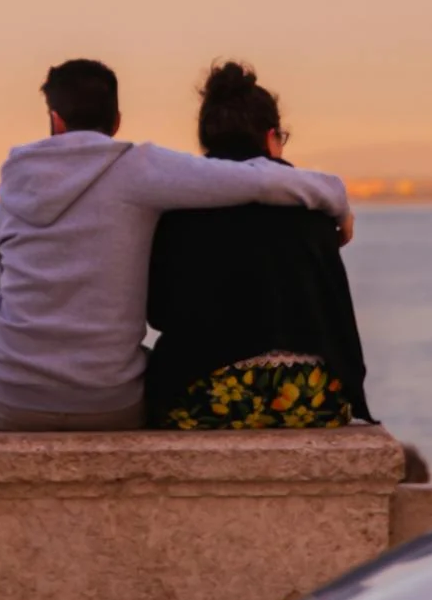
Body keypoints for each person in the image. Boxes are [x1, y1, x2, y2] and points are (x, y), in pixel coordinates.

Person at [0, 58, 353, 431]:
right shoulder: (138, 169)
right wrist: (336, 196)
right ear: (116, 122)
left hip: (11, 404)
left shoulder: (12, 190)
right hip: (112, 405)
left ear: (55, 119)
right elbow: (256, 180)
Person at [146, 61, 371, 430]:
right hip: (314, 396)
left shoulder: (178, 213)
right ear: (271, 137)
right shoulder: (313, 209)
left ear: (206, 143)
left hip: (204, 396)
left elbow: (159, 313)